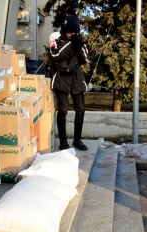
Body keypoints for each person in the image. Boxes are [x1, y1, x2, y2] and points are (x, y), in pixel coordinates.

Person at [49, 15, 90, 151]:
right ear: (65, 30)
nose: (73, 35)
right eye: (71, 32)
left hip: (76, 78)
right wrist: (71, 43)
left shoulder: (78, 40)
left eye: (75, 33)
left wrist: (79, 45)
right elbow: (56, 55)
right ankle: (63, 141)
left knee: (81, 109)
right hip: (61, 78)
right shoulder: (55, 38)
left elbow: (85, 59)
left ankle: (77, 140)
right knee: (63, 110)